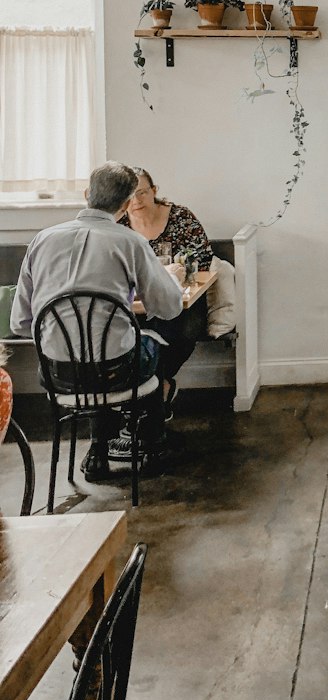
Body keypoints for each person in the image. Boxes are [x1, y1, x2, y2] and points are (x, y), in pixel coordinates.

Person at [10, 162, 184, 479]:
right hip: (117, 374)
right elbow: (170, 307)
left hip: (56, 374)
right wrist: (169, 277)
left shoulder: (42, 240)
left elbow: (21, 324)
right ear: (127, 202)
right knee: (150, 348)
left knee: (94, 351)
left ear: (87, 194)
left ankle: (97, 452)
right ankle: (154, 448)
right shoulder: (130, 243)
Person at [119, 167, 213, 404]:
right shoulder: (119, 227)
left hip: (183, 298)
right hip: (138, 301)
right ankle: (152, 394)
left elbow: (203, 260)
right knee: (128, 332)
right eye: (130, 195)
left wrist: (180, 272)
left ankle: (158, 385)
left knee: (177, 331)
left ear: (154, 191)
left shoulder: (180, 217)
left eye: (142, 192)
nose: (137, 200)